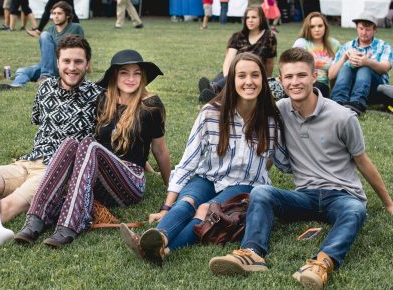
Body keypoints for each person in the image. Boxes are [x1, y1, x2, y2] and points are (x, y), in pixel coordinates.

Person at [209, 48, 393, 290]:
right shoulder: (280, 111)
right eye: (289, 77)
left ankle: (321, 264)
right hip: (304, 196)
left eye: (301, 75)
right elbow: (269, 149)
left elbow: (363, 161)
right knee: (262, 192)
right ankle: (251, 253)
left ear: (314, 76)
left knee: (355, 209)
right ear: (281, 80)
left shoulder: (343, 117)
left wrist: (389, 203)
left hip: (342, 195)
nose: (295, 82)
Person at [120, 52, 291, 266]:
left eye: (255, 75)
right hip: (208, 177)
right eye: (242, 76)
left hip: (244, 184)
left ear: (263, 81)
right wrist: (166, 206)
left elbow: (284, 161)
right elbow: (188, 162)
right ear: (232, 80)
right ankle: (159, 236)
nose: (249, 81)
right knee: (187, 202)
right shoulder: (211, 113)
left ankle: (164, 251)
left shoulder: (271, 119)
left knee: (205, 210)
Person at [13, 49, 171, 247]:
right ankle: (36, 218)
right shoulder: (105, 100)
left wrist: (171, 188)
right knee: (71, 142)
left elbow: (160, 150)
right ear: (115, 75)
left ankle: (71, 224)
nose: (131, 79)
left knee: (89, 144)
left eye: (136, 73)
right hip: (100, 180)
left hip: (131, 181)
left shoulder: (151, 106)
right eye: (124, 73)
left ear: (143, 76)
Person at [0, 35, 103, 250]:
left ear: (87, 64)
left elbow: (112, 142)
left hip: (55, 172)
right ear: (57, 62)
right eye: (66, 61)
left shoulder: (99, 97)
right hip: (28, 162)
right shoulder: (44, 89)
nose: (72, 67)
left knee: (8, 206)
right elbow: (39, 121)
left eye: (78, 62)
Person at [0, 1, 84, 91]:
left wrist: (86, 66)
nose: (56, 16)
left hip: (63, 65)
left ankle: (47, 77)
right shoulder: (51, 29)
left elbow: (83, 49)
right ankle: (16, 85)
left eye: (59, 13)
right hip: (48, 65)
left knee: (44, 35)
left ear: (67, 15)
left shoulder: (75, 28)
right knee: (22, 71)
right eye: (54, 14)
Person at [198, 5, 277, 103]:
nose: (250, 20)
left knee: (230, 79)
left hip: (253, 74)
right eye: (247, 17)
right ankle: (213, 91)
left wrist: (266, 80)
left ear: (261, 18)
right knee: (224, 76)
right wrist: (229, 78)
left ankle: (213, 91)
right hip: (234, 71)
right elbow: (229, 60)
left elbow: (269, 62)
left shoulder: (269, 37)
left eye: (254, 17)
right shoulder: (238, 36)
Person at [329, 11, 392, 115]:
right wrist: (344, 58)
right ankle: (337, 101)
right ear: (356, 28)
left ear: (375, 29)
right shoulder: (347, 46)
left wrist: (368, 62)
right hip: (350, 88)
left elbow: (385, 68)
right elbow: (331, 75)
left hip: (375, 91)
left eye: (368, 29)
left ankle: (357, 103)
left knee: (365, 67)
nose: (364, 32)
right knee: (346, 67)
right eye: (361, 28)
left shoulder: (383, 46)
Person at [292, 12, 340, 98]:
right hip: (302, 82)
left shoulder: (335, 44)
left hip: (323, 85)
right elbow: (294, 67)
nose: (317, 29)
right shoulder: (301, 43)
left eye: (320, 26)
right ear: (307, 28)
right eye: (312, 26)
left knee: (315, 90)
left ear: (325, 27)